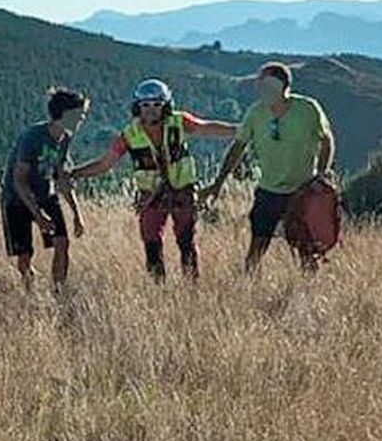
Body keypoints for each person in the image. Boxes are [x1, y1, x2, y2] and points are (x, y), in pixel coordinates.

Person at [68, 78, 236, 279]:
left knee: (186, 242)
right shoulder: (129, 135)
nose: (151, 109)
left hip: (183, 191)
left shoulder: (179, 121)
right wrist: (74, 173)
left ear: (165, 106)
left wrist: (241, 130)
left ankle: (192, 288)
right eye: (145, 105)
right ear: (137, 107)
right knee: (151, 244)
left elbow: (206, 128)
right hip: (151, 197)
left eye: (157, 104)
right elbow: (104, 164)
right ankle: (158, 290)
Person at [204, 61, 336, 272]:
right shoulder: (256, 113)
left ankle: (309, 292)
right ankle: (247, 287)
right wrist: (218, 182)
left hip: (302, 190)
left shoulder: (308, 109)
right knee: (257, 244)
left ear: (284, 87)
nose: (262, 90)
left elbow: (326, 140)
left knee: (305, 247)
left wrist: (321, 174)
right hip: (269, 190)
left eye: (267, 85)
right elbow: (238, 146)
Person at [2, 87, 88, 291]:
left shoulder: (65, 138)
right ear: (64, 114)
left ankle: (59, 290)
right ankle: (29, 286)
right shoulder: (32, 137)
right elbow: (19, 180)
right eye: (79, 114)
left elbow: (61, 175)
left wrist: (77, 213)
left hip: (45, 194)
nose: (82, 119)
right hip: (16, 198)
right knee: (24, 256)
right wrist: (37, 214)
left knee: (62, 243)